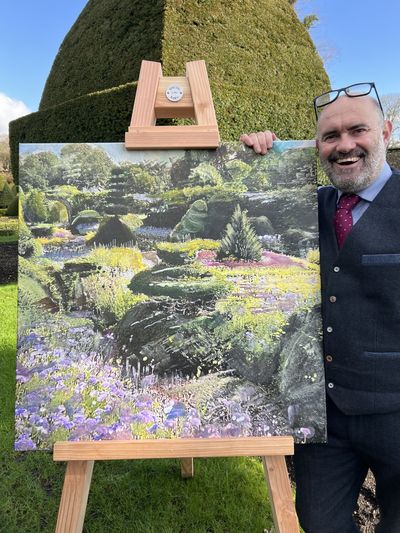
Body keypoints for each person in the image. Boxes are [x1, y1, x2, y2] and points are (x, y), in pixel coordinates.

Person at [240, 85, 400, 533]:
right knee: (318, 522)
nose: (344, 145)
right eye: (331, 136)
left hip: (395, 410)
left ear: (385, 131)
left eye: (357, 130)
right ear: (318, 147)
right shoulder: (310, 207)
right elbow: (244, 207)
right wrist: (260, 161)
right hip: (323, 414)